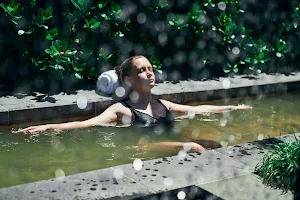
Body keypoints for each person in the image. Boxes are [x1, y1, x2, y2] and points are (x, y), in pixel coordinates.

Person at [13, 55, 252, 152]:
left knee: (214, 144)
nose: (149, 73)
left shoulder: (162, 104)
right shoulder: (122, 110)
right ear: (128, 79)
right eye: (142, 71)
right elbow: (85, 124)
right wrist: (44, 128)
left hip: (171, 147)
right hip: (141, 150)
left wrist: (233, 108)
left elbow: (199, 110)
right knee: (196, 147)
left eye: (150, 69)